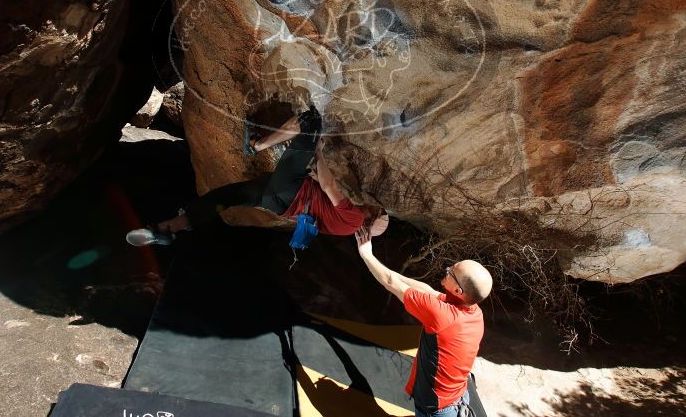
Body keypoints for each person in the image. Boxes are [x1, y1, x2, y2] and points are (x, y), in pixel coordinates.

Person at [126, 105, 389, 245]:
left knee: (311, 122)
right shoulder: (347, 228)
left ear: (371, 215)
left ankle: (257, 145)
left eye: (373, 209)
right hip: (279, 205)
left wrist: (318, 154)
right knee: (226, 197)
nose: (369, 204)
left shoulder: (354, 217)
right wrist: (316, 175)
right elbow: (321, 207)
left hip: (290, 190)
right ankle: (170, 227)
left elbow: (331, 187)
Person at [355, 230, 492, 417]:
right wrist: (391, 273)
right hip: (456, 399)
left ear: (458, 290)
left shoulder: (442, 316)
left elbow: (390, 282)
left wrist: (366, 253)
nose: (448, 268)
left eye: (451, 272)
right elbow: (427, 291)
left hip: (436, 409)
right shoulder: (474, 311)